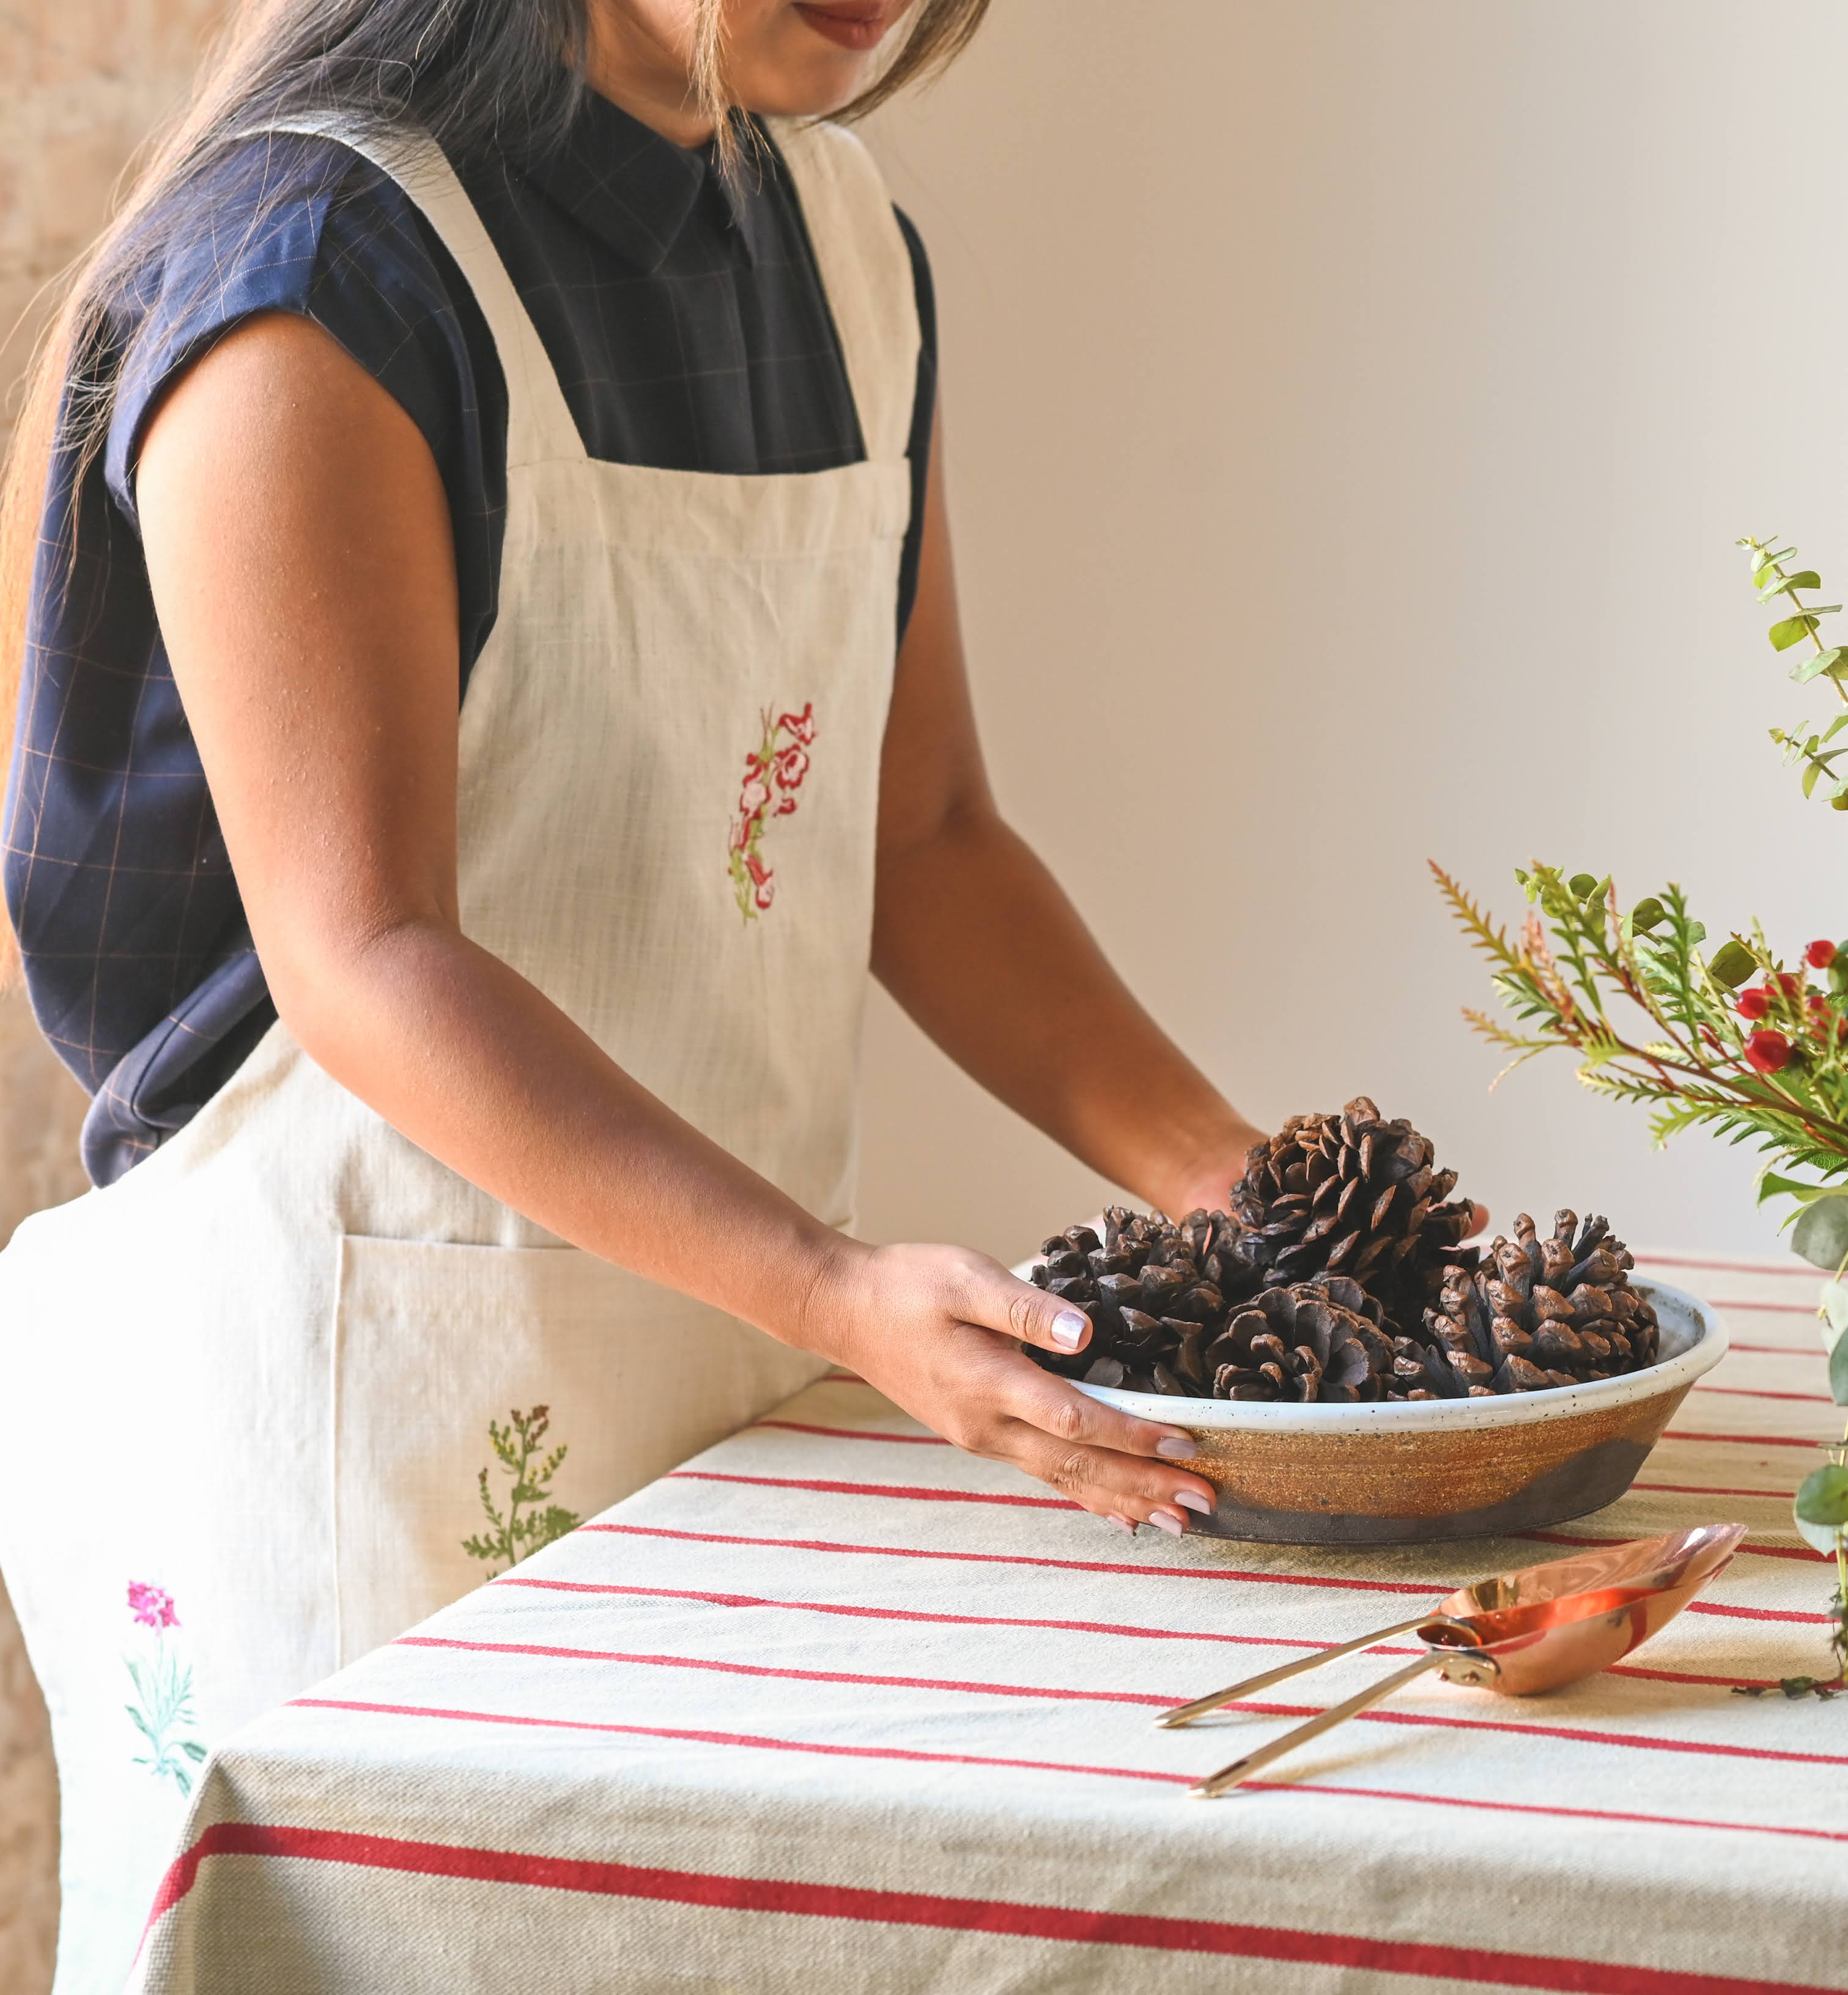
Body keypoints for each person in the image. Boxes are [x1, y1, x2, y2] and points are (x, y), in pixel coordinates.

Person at [0, 1, 1256, 1980]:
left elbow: (921, 841)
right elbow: (365, 955)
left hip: (704, 1418)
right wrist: (835, 1287)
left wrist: (1251, 1196)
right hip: (343, 1458)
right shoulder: (309, 272)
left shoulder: (848, 253)